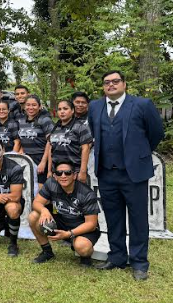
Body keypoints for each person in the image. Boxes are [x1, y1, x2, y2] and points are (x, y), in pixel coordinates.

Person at [87, 70, 164, 280]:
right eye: (107, 82)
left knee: (138, 219)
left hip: (134, 173)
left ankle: (139, 262)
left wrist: (139, 153)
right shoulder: (95, 106)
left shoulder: (142, 104)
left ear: (124, 84)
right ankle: (117, 257)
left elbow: (156, 132)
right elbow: (95, 132)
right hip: (106, 173)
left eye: (115, 81)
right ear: (103, 86)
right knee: (113, 217)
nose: (111, 85)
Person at [29, 159, 101, 266]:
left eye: (67, 173)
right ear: (55, 176)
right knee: (33, 216)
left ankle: (85, 258)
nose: (63, 176)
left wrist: (69, 234)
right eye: (59, 173)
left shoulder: (87, 194)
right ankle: (47, 252)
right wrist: (44, 210)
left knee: (82, 247)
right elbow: (36, 202)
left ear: (74, 175)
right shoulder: (51, 184)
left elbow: (91, 224)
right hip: (61, 221)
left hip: (81, 227)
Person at [48, 100, 93, 183]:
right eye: (59, 109)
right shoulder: (55, 127)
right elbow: (51, 150)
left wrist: (82, 172)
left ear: (72, 111)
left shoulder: (80, 126)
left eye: (65, 109)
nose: (62, 112)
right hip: (57, 173)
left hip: (75, 172)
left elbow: (85, 149)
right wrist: (49, 171)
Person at [16, 95, 54, 185]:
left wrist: (43, 162)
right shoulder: (21, 120)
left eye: (34, 105)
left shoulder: (45, 120)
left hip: (40, 157)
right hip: (26, 158)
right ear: (24, 106)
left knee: (40, 188)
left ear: (39, 106)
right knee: (27, 187)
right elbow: (21, 139)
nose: (30, 107)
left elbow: (50, 142)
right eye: (28, 105)